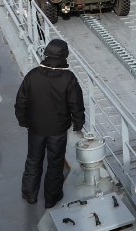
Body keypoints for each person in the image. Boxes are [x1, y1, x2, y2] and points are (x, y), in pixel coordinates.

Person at [14, 39, 85, 208]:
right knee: (55, 163)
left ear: (46, 54)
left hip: (36, 128)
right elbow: (76, 103)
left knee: (33, 160)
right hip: (58, 130)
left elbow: (21, 101)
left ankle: (29, 194)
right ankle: (51, 198)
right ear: (64, 56)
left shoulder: (33, 75)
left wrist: (23, 120)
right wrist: (78, 123)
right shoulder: (68, 78)